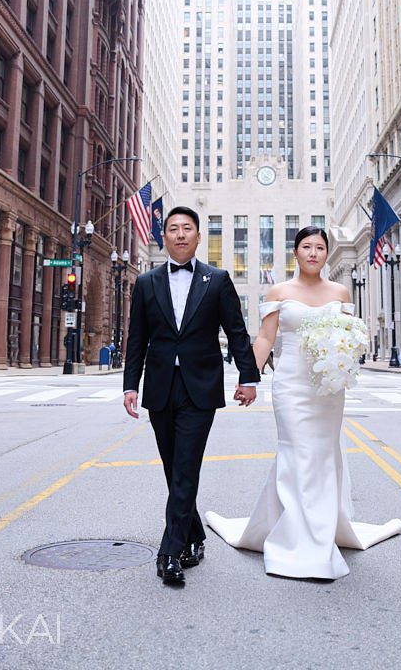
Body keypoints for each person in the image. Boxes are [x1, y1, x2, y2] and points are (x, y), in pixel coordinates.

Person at [205, 225, 401, 580]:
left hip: (328, 387)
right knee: (296, 453)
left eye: (320, 248)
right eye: (306, 247)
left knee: (323, 456)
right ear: (295, 252)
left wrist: (346, 360)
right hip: (291, 385)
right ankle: (299, 540)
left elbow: (347, 337)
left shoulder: (340, 292)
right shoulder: (280, 291)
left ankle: (316, 530)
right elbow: (266, 337)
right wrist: (248, 377)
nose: (313, 253)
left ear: (327, 254)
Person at [123, 206, 260, 587]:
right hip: (161, 386)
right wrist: (130, 384)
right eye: (173, 229)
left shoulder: (216, 280)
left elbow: (236, 331)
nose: (180, 234)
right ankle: (195, 534)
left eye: (187, 228)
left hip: (200, 387)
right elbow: (137, 338)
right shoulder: (147, 282)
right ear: (163, 237)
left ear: (199, 237)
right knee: (173, 469)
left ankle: (170, 552)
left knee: (186, 468)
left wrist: (248, 377)